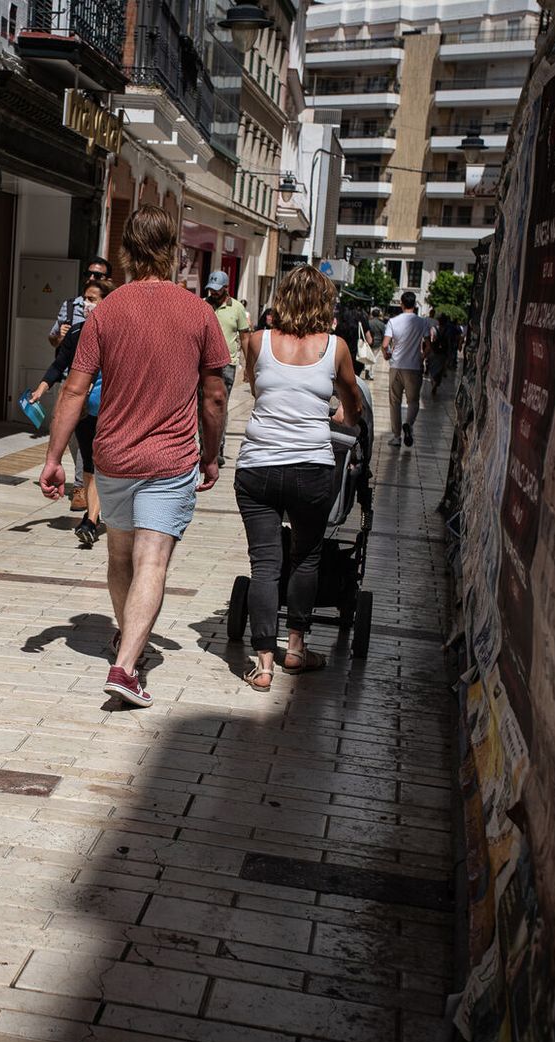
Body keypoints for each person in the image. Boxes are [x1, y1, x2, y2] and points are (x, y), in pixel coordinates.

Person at [38, 205, 229, 708]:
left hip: (114, 457)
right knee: (152, 559)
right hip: (169, 459)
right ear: (175, 252)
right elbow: (214, 396)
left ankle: (126, 646)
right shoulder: (199, 312)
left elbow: (74, 390)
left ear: (126, 252)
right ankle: (125, 666)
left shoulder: (107, 311)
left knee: (120, 553)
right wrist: (211, 456)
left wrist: (54, 457)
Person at [235, 266, 366, 690]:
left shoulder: (258, 341)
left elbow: (259, 390)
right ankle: (295, 648)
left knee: (265, 563)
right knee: (305, 558)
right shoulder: (337, 348)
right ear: (325, 304)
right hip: (311, 468)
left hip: (257, 466)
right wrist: (338, 417)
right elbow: (353, 406)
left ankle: (263, 664)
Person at [28, 278, 116, 545]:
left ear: (106, 303)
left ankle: (91, 519)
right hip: (84, 410)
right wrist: (41, 389)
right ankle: (92, 516)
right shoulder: (78, 333)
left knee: (104, 465)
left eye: (93, 299)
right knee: (90, 463)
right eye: (85, 299)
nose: (86, 304)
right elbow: (59, 364)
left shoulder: (118, 335)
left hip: (112, 410)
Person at [48, 256, 112, 512]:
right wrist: (58, 336)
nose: (93, 278)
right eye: (90, 273)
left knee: (88, 441)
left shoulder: (111, 309)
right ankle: (86, 485)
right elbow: (53, 341)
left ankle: (81, 490)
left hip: (96, 386)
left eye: (100, 275)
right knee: (76, 438)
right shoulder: (70, 306)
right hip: (70, 380)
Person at [203, 270, 250, 465]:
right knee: (202, 407)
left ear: (225, 288)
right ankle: (205, 447)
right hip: (204, 365)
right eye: (210, 290)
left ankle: (217, 448)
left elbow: (245, 337)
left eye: (216, 290)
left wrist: (248, 365)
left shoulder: (237, 308)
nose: (212, 293)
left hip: (227, 364)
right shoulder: (203, 305)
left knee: (220, 405)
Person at [382, 291, 435, 447]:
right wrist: (421, 357)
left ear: (401, 303)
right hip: (414, 367)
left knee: (394, 402)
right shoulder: (422, 322)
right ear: (414, 304)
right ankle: (409, 424)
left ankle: (397, 437)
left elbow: (385, 345)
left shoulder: (393, 321)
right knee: (413, 401)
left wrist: (386, 355)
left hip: (396, 366)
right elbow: (428, 346)